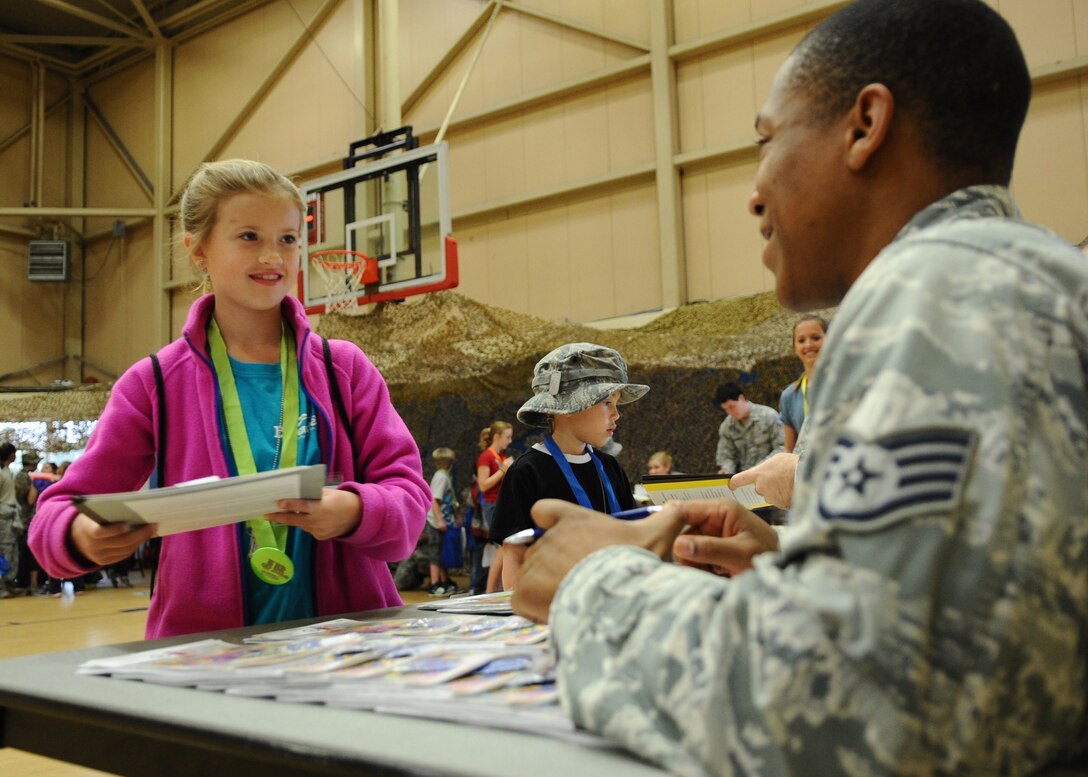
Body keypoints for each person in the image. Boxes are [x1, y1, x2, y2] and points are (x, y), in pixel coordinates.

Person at [512, 1, 1087, 774]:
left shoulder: (930, 294)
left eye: (767, 141)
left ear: (864, 125)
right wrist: (792, 562)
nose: (754, 193)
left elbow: (852, 711)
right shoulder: (1043, 279)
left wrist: (592, 583)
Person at [31, 159, 430, 638]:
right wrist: (81, 535)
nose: (273, 257)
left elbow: (409, 499)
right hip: (205, 652)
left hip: (349, 645)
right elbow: (56, 513)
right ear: (198, 250)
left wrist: (353, 512)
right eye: (248, 237)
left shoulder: (343, 369)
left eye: (287, 238)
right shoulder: (153, 384)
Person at [489, 343, 648, 590]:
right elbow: (514, 556)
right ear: (568, 408)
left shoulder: (610, 467)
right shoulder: (527, 472)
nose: (617, 414)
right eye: (607, 402)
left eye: (617, 404)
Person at [778, 316, 827, 452]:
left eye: (816, 338)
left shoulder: (847, 384)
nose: (808, 345)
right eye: (801, 340)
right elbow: (789, 449)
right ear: (795, 347)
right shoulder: (789, 396)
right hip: (805, 470)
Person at [474, 421, 513, 594]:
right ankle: (491, 592)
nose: (510, 441)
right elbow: (483, 485)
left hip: (502, 503)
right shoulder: (486, 457)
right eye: (508, 437)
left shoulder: (502, 458)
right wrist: (503, 471)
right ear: (497, 437)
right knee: (502, 547)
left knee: (505, 548)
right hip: (492, 505)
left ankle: (497, 590)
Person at [713, 382, 783, 474]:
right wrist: (727, 470)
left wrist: (759, 468)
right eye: (726, 409)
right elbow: (726, 456)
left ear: (741, 398)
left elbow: (782, 448)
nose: (730, 412)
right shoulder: (727, 426)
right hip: (742, 479)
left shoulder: (768, 416)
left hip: (770, 475)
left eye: (732, 407)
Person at [423, 447, 458, 596]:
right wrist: (440, 520)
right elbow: (435, 501)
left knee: (442, 552)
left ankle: (445, 580)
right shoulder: (441, 477)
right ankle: (435, 584)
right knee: (436, 552)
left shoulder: (443, 475)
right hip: (436, 522)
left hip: (441, 520)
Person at [0, 442, 20, 598]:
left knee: (12, 551)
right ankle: (1, 587)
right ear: (10, 454)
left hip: (11, 514)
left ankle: (9, 582)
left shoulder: (7, 470)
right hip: (3, 516)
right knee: (4, 551)